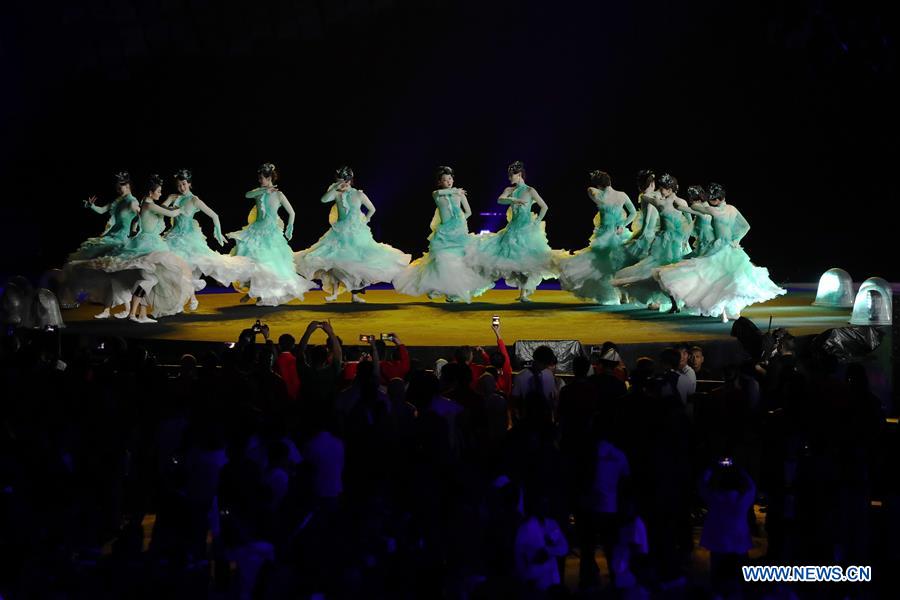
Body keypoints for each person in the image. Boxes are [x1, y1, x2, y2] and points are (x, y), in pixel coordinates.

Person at [655, 182, 786, 321]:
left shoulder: (714, 211)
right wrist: (736, 240)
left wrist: (681, 207)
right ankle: (729, 310)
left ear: (717, 199)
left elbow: (694, 207)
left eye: (711, 199)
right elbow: (745, 226)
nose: (709, 201)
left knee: (716, 278)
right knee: (730, 279)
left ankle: (726, 309)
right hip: (730, 247)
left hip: (718, 248)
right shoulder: (732, 209)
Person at [73, 174, 194, 322]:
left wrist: (134, 229)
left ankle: (138, 314)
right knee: (149, 278)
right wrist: (184, 206)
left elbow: (140, 216)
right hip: (147, 244)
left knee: (149, 278)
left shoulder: (142, 202)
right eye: (159, 191)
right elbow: (169, 212)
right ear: (151, 192)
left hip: (146, 242)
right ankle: (131, 313)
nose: (160, 193)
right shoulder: (147, 204)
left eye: (122, 185)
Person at [294, 166, 410, 303]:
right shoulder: (337, 193)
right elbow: (324, 200)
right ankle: (335, 293)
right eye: (340, 181)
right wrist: (335, 187)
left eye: (345, 181)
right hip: (339, 232)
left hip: (356, 233)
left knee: (356, 262)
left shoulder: (358, 194)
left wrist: (365, 220)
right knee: (335, 261)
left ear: (350, 180)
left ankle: (355, 295)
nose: (343, 183)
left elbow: (372, 209)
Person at [392, 166, 494, 302]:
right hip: (444, 234)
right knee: (443, 261)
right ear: (440, 182)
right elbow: (440, 194)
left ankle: (453, 292)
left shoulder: (459, 194)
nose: (449, 181)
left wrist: (460, 221)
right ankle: (436, 287)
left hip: (459, 233)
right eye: (445, 180)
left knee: (459, 262)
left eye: (450, 179)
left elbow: (468, 212)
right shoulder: (437, 194)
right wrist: (455, 191)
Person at [470, 161, 562, 301]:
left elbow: (544, 207)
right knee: (503, 259)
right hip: (512, 229)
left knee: (526, 262)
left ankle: (523, 294)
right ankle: (479, 284)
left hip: (526, 230)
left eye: (511, 176)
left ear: (519, 175)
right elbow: (500, 200)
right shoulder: (509, 190)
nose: (509, 178)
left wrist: (536, 222)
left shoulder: (530, 190)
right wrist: (513, 199)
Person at [227, 163, 317, 305]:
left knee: (267, 265)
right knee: (251, 261)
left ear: (269, 178)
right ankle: (252, 292)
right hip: (256, 230)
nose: (259, 180)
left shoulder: (279, 194)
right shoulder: (258, 192)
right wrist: (263, 191)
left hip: (270, 233)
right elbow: (247, 194)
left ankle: (261, 296)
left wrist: (290, 227)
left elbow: (292, 212)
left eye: (262, 178)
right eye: (259, 178)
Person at [163, 169, 252, 310]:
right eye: (179, 185)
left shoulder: (194, 200)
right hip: (174, 236)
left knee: (187, 268)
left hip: (189, 238)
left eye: (184, 184)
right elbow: (161, 210)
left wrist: (217, 232)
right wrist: (169, 198)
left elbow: (214, 215)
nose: (181, 188)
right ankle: (187, 299)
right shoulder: (175, 198)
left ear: (189, 184)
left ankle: (189, 299)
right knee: (176, 269)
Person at [612, 173, 692, 312]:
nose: (661, 191)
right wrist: (648, 191)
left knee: (674, 271)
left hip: (677, 241)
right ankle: (670, 303)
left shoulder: (681, 203)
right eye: (659, 187)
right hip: (662, 241)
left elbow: (690, 222)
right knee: (661, 270)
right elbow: (645, 197)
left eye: (664, 188)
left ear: (671, 189)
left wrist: (685, 238)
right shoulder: (661, 202)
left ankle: (678, 301)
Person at [558, 170, 637, 304]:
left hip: (606, 234)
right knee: (619, 264)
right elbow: (633, 212)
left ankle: (620, 295)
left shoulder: (597, 194)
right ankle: (624, 295)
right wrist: (623, 224)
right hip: (619, 231)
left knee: (604, 266)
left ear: (598, 185)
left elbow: (590, 190)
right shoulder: (621, 195)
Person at [622, 169, 660, 265]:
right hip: (654, 231)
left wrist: (641, 235)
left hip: (648, 233)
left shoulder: (645, 197)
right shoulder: (656, 195)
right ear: (652, 184)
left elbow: (647, 220)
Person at [274, 333, 300, 401]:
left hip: (278, 397)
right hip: (293, 398)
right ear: (293, 346)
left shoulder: (275, 361)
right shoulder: (296, 361)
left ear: (279, 346)